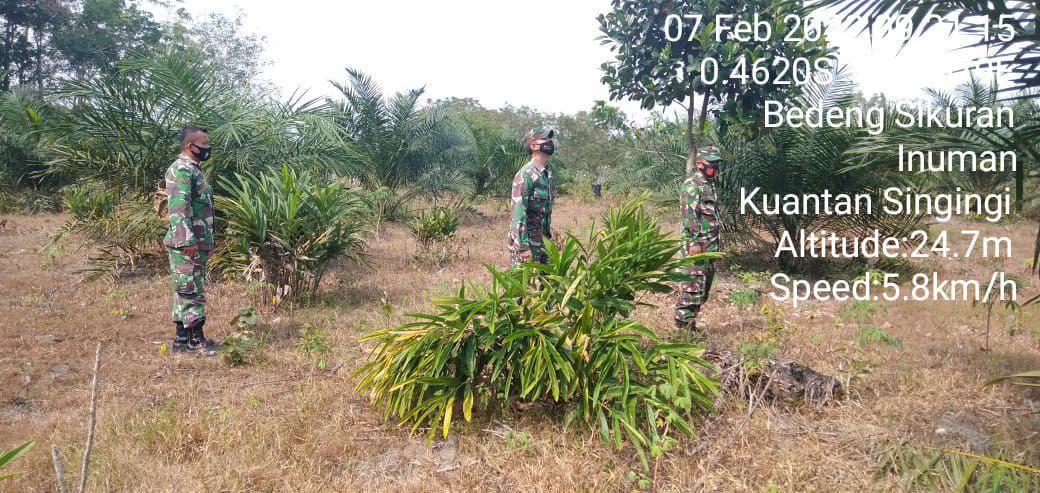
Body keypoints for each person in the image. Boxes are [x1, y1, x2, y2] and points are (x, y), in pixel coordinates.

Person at [165, 125, 218, 356]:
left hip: (195, 241)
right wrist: (187, 241)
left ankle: (181, 340)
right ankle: (196, 342)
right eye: (204, 144)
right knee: (191, 291)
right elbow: (178, 209)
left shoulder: (194, 169)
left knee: (185, 289)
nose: (207, 148)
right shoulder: (182, 170)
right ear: (190, 146)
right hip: (187, 243)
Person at [675, 146, 723, 332]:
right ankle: (683, 325)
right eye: (711, 163)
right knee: (692, 285)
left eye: (717, 164)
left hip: (710, 244)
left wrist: (716, 248)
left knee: (704, 286)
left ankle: (691, 323)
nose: (714, 167)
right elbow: (689, 216)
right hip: (696, 245)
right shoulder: (692, 185)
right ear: (699, 163)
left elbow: (712, 218)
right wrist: (694, 243)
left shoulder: (709, 184)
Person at [508, 127, 557, 268]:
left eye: (550, 139)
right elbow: (518, 213)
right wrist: (523, 247)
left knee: (547, 287)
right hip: (528, 245)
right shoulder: (526, 174)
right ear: (534, 145)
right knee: (523, 287)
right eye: (545, 139)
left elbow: (544, 214)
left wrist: (551, 239)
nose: (549, 142)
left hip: (545, 243)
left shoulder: (547, 175)